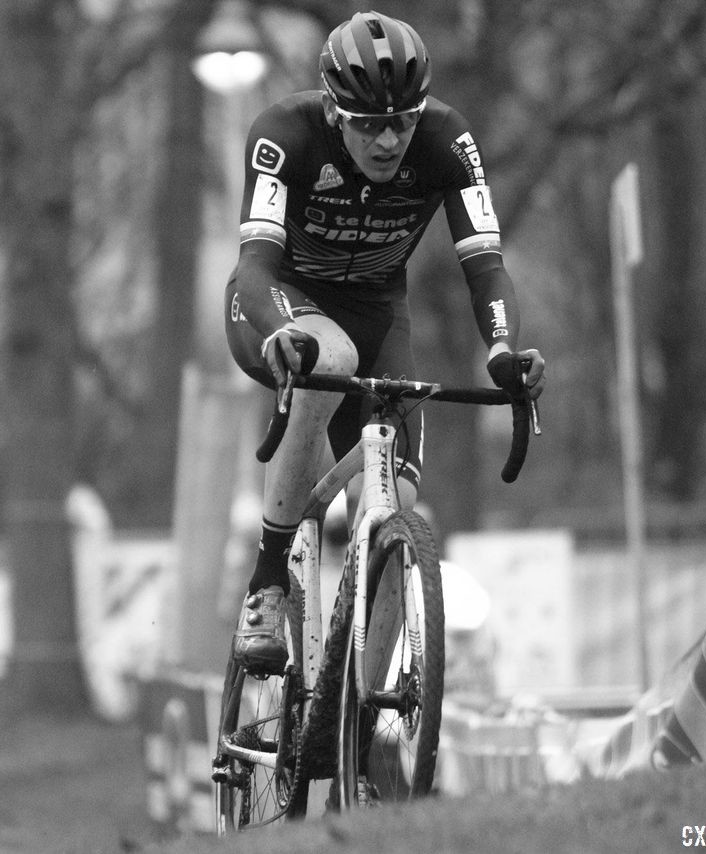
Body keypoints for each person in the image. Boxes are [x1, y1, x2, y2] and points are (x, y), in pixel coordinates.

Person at [224, 11, 546, 675]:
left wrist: (502, 350)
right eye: (371, 123)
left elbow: (484, 265)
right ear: (338, 115)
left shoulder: (447, 141)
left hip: (378, 313)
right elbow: (254, 267)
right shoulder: (285, 135)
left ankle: (360, 728)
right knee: (330, 357)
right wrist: (283, 330)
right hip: (280, 305)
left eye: (403, 119)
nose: (390, 138)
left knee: (395, 513)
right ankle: (268, 581)